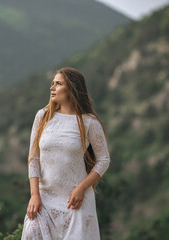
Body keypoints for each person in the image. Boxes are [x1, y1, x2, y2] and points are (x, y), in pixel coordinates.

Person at [21, 67, 111, 240]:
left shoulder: (89, 122)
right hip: (44, 201)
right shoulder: (43, 116)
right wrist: (34, 195)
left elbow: (104, 159)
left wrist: (82, 188)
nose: (52, 88)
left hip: (75, 203)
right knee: (32, 232)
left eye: (58, 84)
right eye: (52, 83)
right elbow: (34, 158)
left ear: (72, 89)